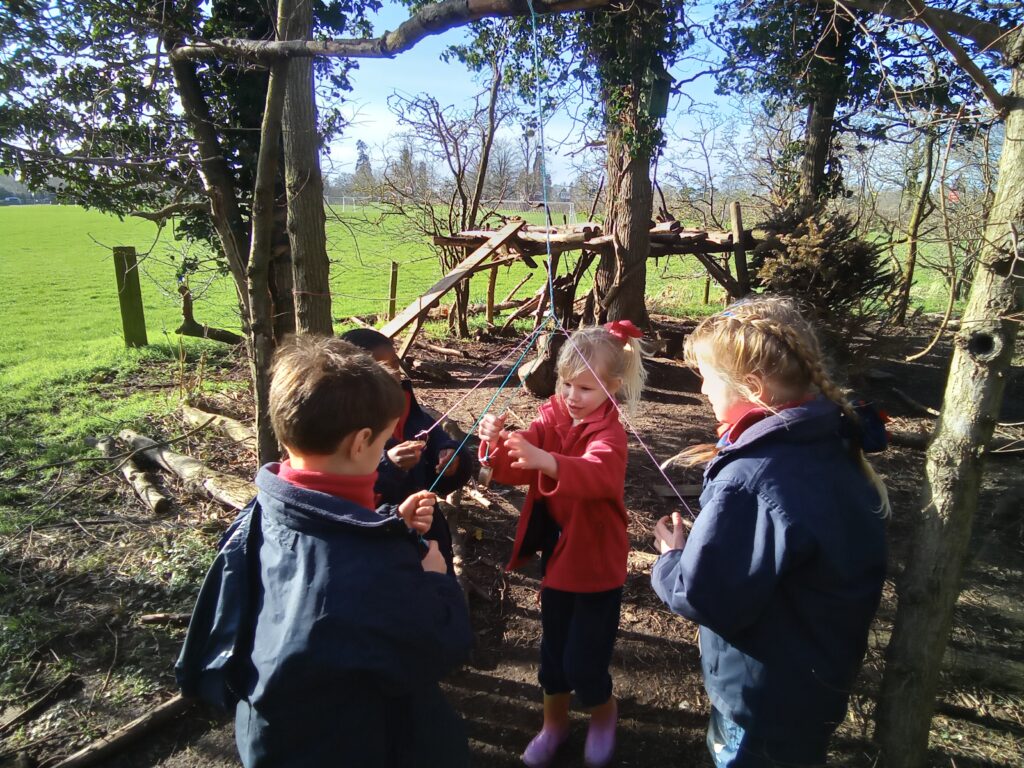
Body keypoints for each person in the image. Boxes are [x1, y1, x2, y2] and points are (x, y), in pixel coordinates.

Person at [176, 335, 473, 768]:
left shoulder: (259, 512)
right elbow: (440, 647)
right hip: (356, 744)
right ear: (360, 443)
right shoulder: (373, 566)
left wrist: (390, 521)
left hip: (269, 730)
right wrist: (433, 578)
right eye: (381, 443)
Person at [650, 296, 889, 768]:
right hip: (813, 683)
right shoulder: (829, 436)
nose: (703, 390)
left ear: (753, 386)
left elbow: (706, 595)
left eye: (707, 378)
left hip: (765, 701)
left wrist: (672, 558)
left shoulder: (753, 480)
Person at [478, 320, 646, 768]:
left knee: (585, 661)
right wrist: (496, 443)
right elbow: (519, 460)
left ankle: (603, 714)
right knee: (553, 654)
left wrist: (547, 461)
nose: (572, 396)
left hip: (595, 561)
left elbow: (597, 476)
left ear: (612, 389)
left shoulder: (610, 434)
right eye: (566, 384)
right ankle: (554, 725)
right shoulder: (552, 416)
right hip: (559, 555)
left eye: (586, 389)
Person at [341, 328, 473, 569]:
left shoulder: (408, 409)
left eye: (394, 365)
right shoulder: (344, 429)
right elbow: (346, 497)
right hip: (384, 552)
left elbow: (437, 442)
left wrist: (451, 458)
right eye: (381, 369)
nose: (393, 375)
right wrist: (388, 465)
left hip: (430, 536)